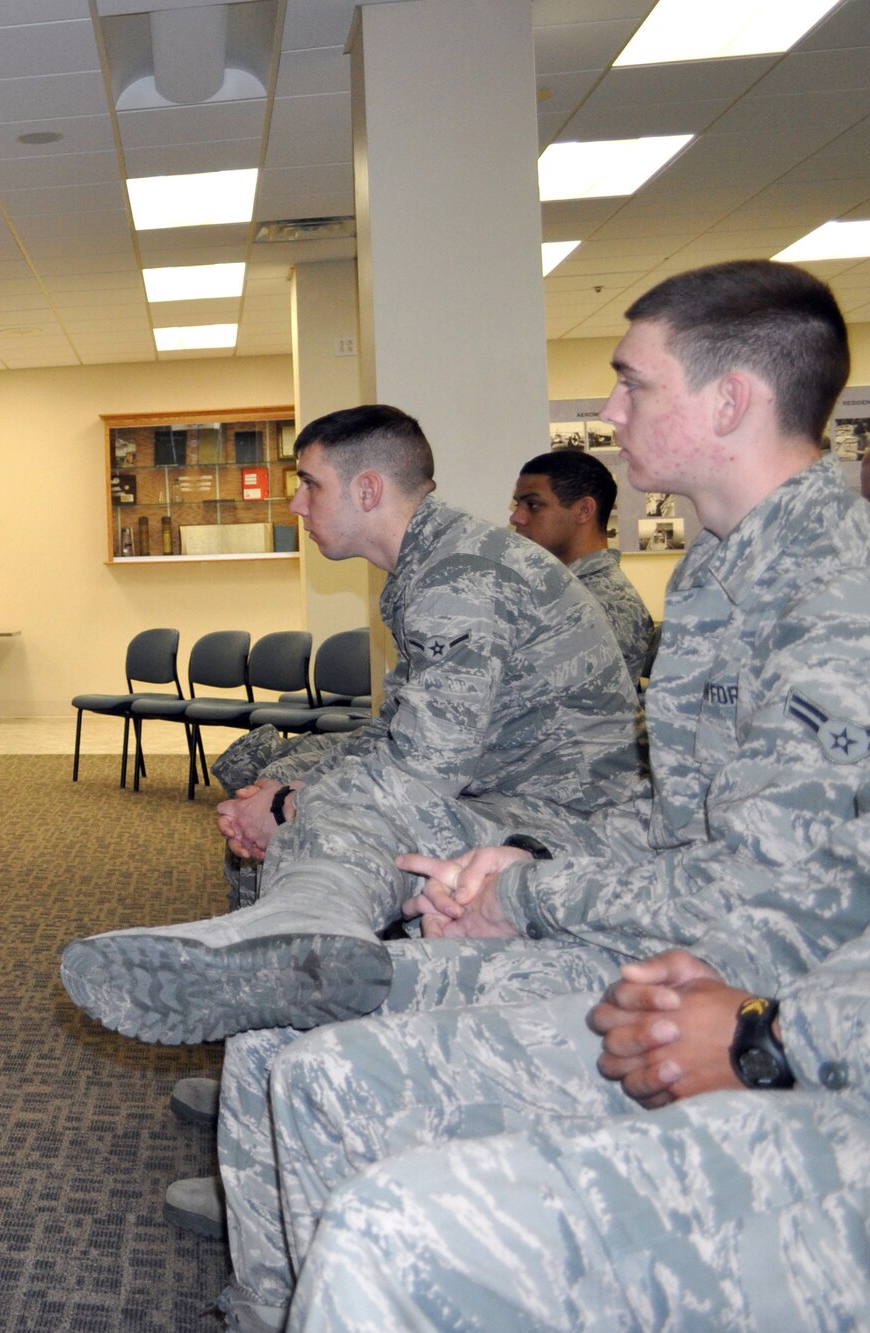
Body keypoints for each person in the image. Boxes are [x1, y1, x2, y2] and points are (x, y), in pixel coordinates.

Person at [216, 259, 870, 1328]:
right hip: (661, 933)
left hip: (740, 999)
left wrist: (521, 897)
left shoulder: (829, 599)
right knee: (271, 1038)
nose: (608, 413)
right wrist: (515, 868)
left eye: (631, 383)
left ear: (730, 400)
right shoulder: (715, 567)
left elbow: (761, 913)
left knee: (328, 1080)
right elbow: (675, 826)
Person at [60, 405, 643, 1047]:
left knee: (333, 817)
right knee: (291, 783)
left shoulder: (460, 577)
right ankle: (279, 990)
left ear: (368, 490)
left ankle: (292, 943)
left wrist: (291, 806)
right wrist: (284, 789)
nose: (295, 506)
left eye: (310, 483)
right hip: (499, 790)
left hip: (563, 818)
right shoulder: (434, 564)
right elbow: (396, 729)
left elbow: (426, 770)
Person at [287, 883, 870, 1330]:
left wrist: (776, 1038)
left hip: (819, 1066)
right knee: (315, 1066)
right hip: (772, 1008)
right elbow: (841, 878)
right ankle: (274, 1306)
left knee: (391, 1231)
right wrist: (706, 981)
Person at [510, 448, 655, 680]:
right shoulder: (561, 589)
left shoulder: (605, 602)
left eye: (533, 505)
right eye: (518, 505)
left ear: (584, 510)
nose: (516, 517)